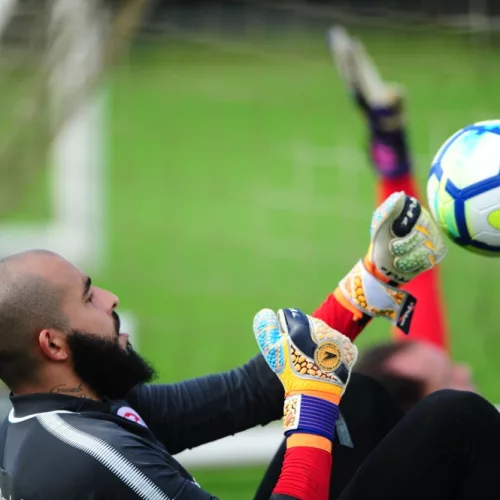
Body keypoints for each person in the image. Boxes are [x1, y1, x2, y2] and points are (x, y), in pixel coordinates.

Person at [0, 189, 445, 498]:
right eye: (88, 295)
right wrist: (312, 409)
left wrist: (369, 281)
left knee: (358, 403)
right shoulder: (91, 457)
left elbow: (247, 394)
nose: (110, 298)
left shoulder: (78, 409)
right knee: (455, 420)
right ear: (54, 345)